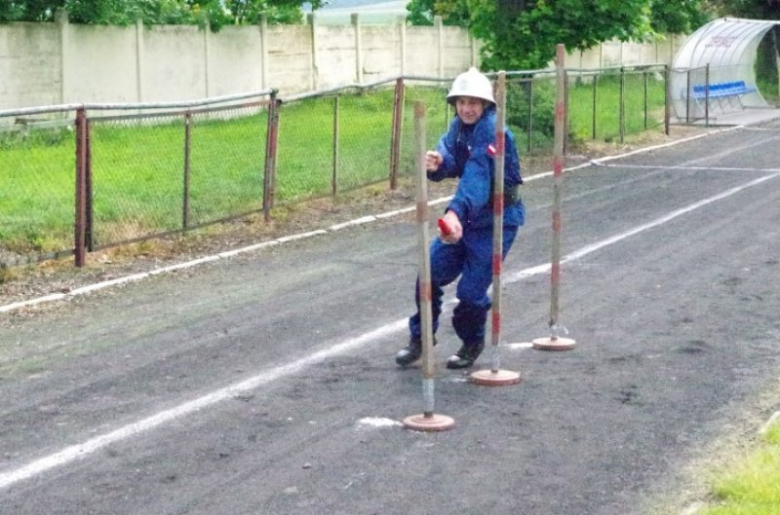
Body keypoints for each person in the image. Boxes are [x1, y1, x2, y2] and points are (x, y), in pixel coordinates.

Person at [395, 67, 524, 369]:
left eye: (474, 103)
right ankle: (422, 337)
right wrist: (437, 163)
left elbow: (477, 177)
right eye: (462, 102)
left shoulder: (495, 132)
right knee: (429, 274)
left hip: (496, 221)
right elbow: (451, 156)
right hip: (466, 217)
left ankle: (472, 341)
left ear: (487, 105)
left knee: (470, 293)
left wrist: (454, 214)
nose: (467, 108)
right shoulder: (457, 127)